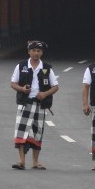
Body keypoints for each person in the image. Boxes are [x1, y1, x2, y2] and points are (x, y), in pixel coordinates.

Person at [10, 40, 59, 170]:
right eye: (33, 50)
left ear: (42, 53)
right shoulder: (21, 66)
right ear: (29, 51)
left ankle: (35, 162)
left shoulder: (47, 68)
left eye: (39, 51)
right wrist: (22, 89)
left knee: (37, 133)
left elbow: (55, 86)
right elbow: (13, 83)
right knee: (21, 132)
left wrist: (45, 94)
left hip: (40, 105)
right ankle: (21, 161)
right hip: (25, 103)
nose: (36, 53)